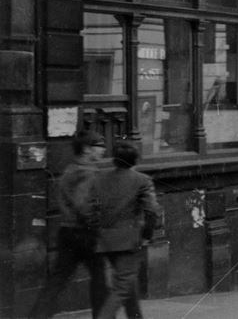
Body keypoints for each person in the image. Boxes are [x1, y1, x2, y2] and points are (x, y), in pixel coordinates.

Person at [29, 130, 107, 319]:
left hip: (67, 231)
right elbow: (83, 204)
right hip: (87, 233)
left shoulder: (69, 170)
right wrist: (96, 223)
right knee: (100, 280)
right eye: (99, 147)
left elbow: (64, 200)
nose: (103, 151)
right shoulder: (89, 173)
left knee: (58, 279)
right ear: (87, 149)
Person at [92, 141, 161, 319]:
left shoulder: (99, 177)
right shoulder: (142, 180)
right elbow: (151, 211)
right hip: (128, 239)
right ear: (135, 160)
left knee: (127, 280)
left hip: (105, 238)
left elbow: (91, 207)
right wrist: (147, 236)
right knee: (122, 286)